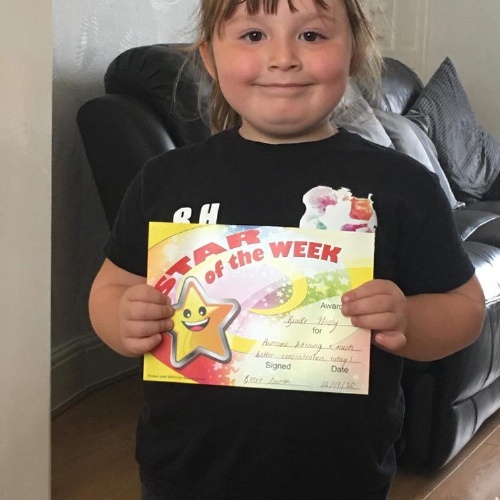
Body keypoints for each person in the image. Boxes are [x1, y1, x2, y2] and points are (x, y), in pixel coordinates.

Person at [89, 0, 485, 498]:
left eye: (312, 36)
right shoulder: (166, 179)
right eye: (253, 36)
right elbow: (112, 286)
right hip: (184, 471)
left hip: (341, 475)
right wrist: (122, 318)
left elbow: (464, 308)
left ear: (354, 52)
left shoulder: (402, 183)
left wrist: (407, 318)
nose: (283, 58)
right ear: (210, 58)